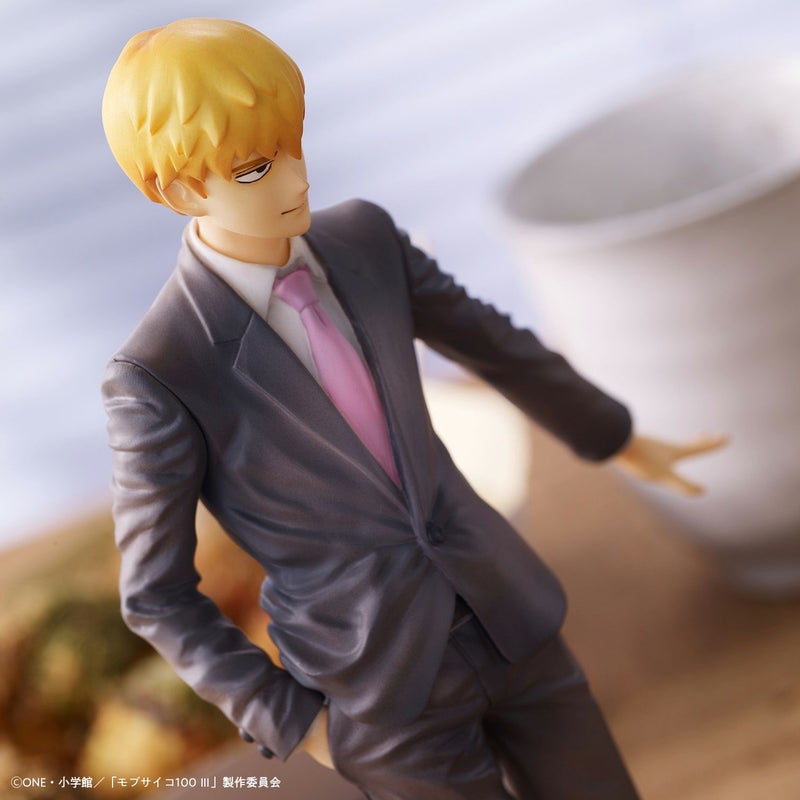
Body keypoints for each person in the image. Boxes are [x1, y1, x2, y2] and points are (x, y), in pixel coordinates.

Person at [101, 18, 723, 799]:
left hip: (507, 614)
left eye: (293, 145)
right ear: (181, 190)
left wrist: (617, 435)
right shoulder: (161, 371)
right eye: (256, 169)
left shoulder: (364, 240)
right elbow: (155, 595)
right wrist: (294, 722)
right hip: (377, 691)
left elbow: (492, 343)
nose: (296, 181)